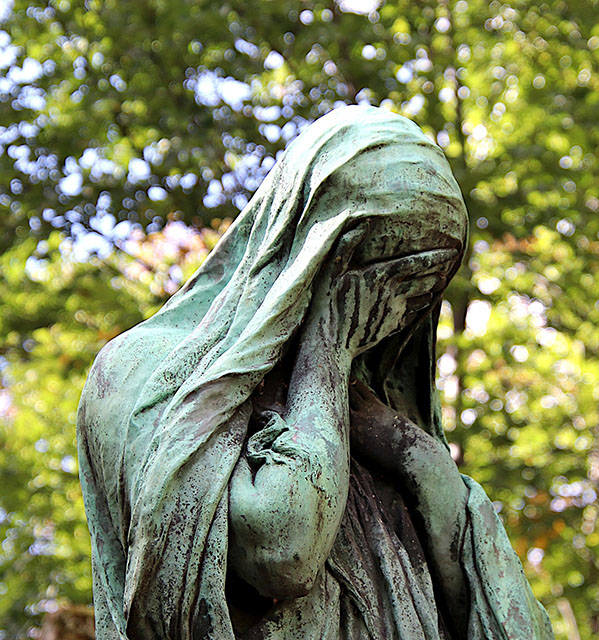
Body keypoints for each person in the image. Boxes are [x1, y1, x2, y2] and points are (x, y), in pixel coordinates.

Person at [78, 105, 554, 639]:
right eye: (391, 279)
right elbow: (281, 551)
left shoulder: (373, 413)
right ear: (319, 252)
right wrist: (326, 346)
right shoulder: (142, 369)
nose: (396, 316)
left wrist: (418, 461)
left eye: (423, 293)